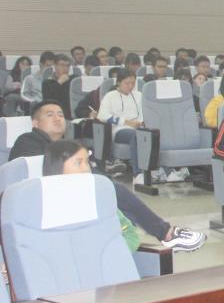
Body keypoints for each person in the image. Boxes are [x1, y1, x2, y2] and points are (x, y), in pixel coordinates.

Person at [12, 105, 206, 251]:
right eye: (50, 115)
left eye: (61, 114)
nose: (57, 118)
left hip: (73, 197)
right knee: (114, 190)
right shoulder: (27, 140)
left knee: (113, 194)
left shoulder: (68, 145)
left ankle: (152, 235)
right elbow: (44, 171)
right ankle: (166, 233)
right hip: (45, 202)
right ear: (35, 123)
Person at [41, 53, 78, 119]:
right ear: (55, 66)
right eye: (62, 65)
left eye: (68, 66)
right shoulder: (47, 83)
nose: (65, 68)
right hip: (56, 114)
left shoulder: (74, 80)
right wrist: (59, 83)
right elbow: (49, 102)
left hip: (73, 113)